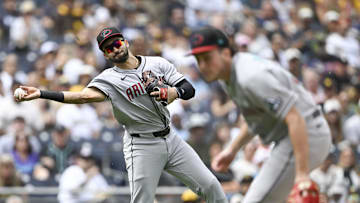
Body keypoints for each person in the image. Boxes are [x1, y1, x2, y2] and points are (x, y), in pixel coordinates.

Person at [15, 27, 227, 203]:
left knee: (211, 186)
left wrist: (174, 92)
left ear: (125, 42)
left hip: (172, 139)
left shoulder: (157, 63)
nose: (114, 50)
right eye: (108, 49)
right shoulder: (108, 79)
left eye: (116, 44)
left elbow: (189, 89)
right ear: (105, 55)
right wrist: (42, 93)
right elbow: (81, 97)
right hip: (142, 145)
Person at [188, 26, 332, 202]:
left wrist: (301, 174)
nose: (202, 66)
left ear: (225, 53)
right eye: (198, 59)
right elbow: (257, 116)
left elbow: (295, 118)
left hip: (305, 135)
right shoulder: (230, 75)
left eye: (207, 58)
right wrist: (232, 150)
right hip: (298, 136)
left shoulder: (249, 76)